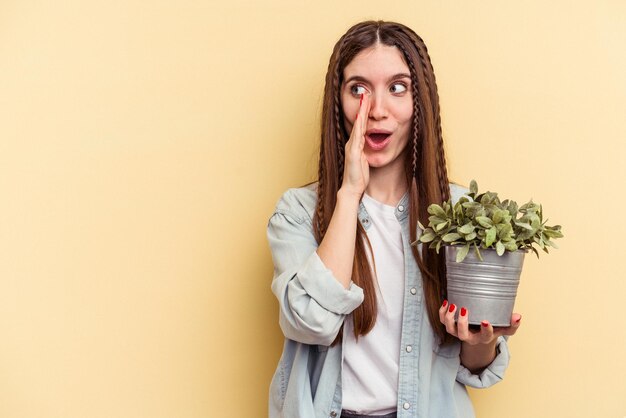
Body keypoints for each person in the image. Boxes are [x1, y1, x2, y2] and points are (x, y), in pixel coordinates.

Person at [267, 20, 521, 418]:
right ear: (339, 103)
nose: (378, 111)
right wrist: (349, 194)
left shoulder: (460, 214)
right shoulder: (298, 212)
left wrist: (481, 339)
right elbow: (311, 323)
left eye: (397, 88)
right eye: (359, 89)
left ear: (419, 101)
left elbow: (475, 366)